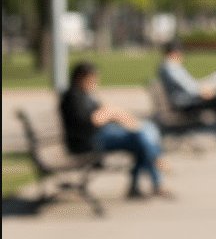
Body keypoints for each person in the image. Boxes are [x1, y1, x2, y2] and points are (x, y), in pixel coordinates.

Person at [60, 61, 169, 200]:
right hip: (88, 142)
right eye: (93, 78)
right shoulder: (72, 97)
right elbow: (90, 121)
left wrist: (116, 115)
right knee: (141, 138)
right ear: (81, 78)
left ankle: (149, 176)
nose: (95, 81)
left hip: (98, 135)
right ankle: (156, 169)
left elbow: (100, 114)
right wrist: (108, 114)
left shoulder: (84, 95)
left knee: (143, 133)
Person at [158, 41, 216, 146]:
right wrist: (206, 90)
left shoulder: (171, 68)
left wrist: (210, 84)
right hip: (185, 104)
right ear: (174, 53)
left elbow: (192, 85)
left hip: (188, 100)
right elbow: (191, 88)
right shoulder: (170, 68)